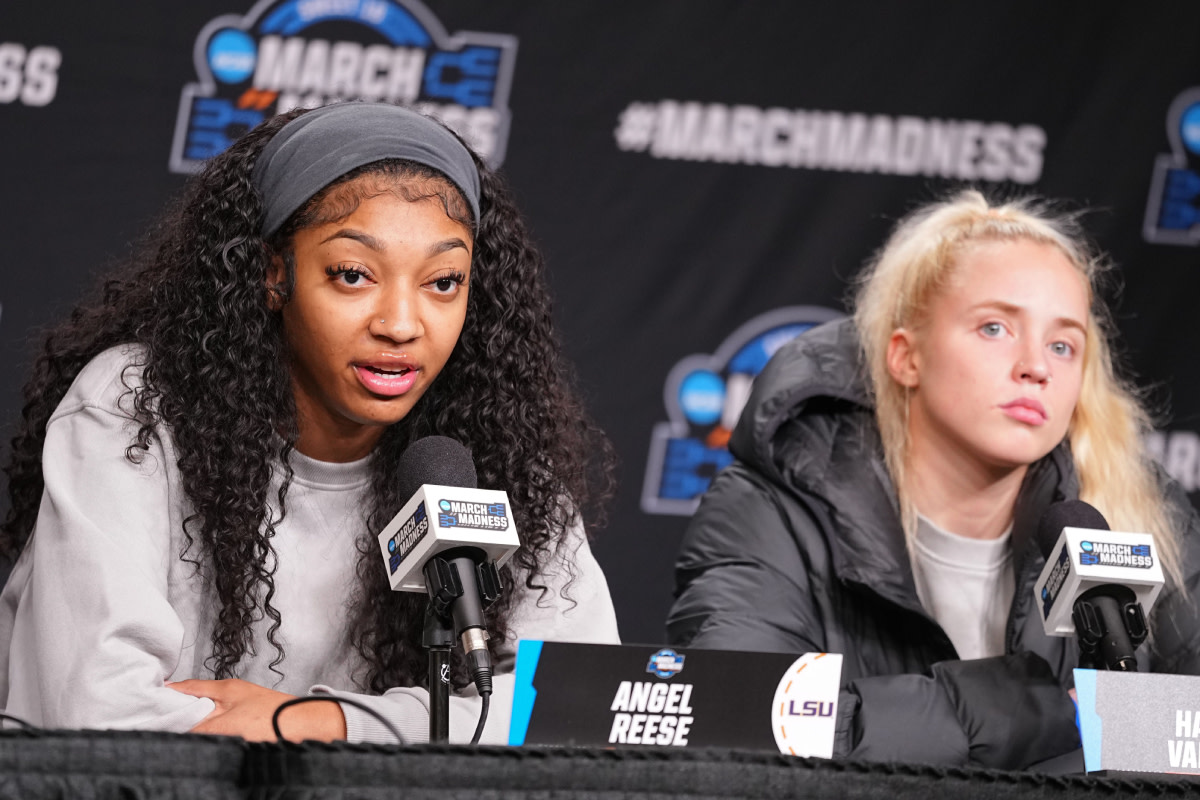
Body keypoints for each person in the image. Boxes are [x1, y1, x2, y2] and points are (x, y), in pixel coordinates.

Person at [0, 102, 620, 744]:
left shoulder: (497, 465)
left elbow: (582, 713)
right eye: (353, 275)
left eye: (442, 281)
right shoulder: (136, 408)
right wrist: (414, 732)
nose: (403, 324)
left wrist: (321, 722)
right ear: (273, 274)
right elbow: (99, 716)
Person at [667, 191, 1200, 769]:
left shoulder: (1140, 509)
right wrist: (1037, 714)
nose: (1036, 367)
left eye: (1062, 345)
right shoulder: (771, 509)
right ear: (906, 356)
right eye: (995, 328)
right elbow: (739, 721)